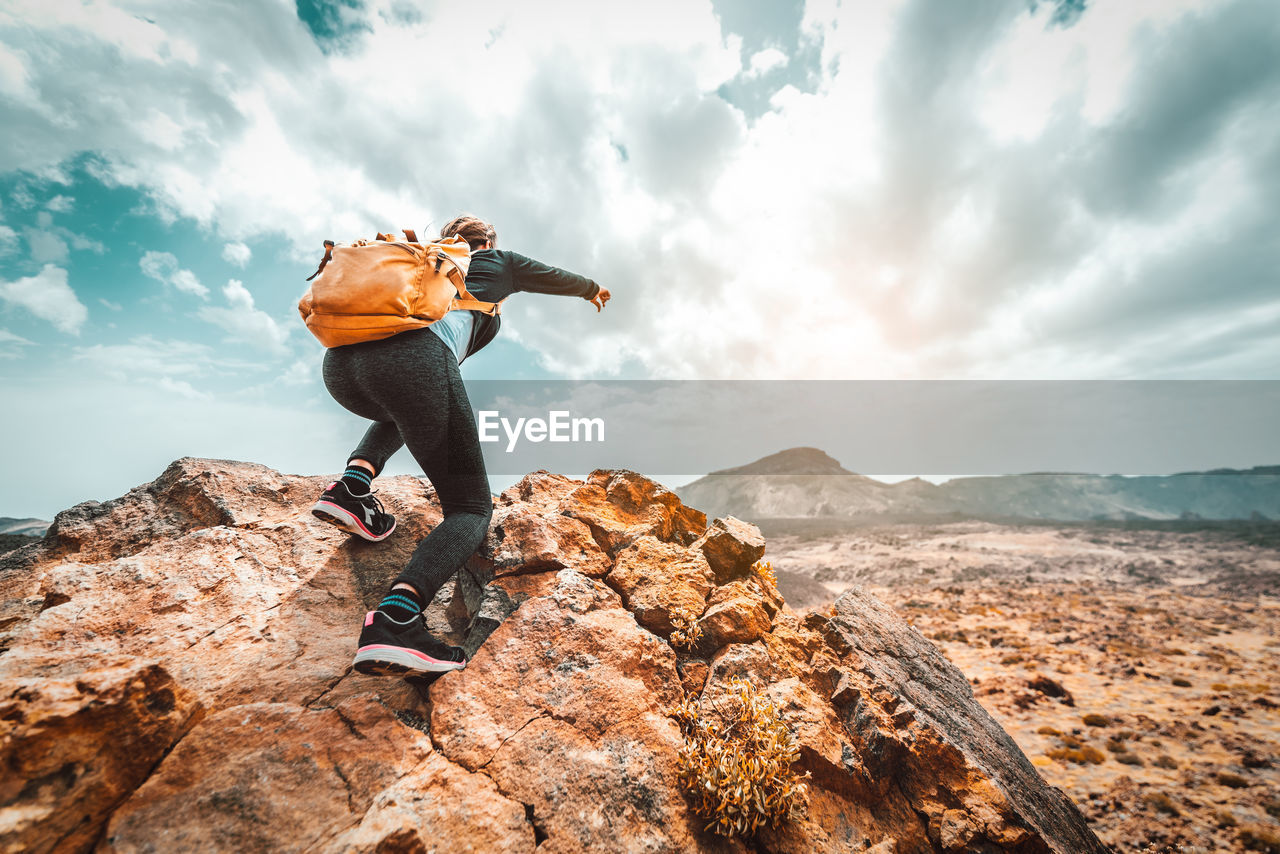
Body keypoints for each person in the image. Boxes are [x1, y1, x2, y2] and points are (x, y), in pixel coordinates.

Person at [310, 214, 611, 677]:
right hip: (413, 361)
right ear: (487, 240)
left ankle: (352, 487)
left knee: (403, 408)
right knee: (470, 508)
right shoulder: (495, 261)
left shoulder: (421, 265)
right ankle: (395, 620)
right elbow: (554, 277)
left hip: (342, 367)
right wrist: (592, 288)